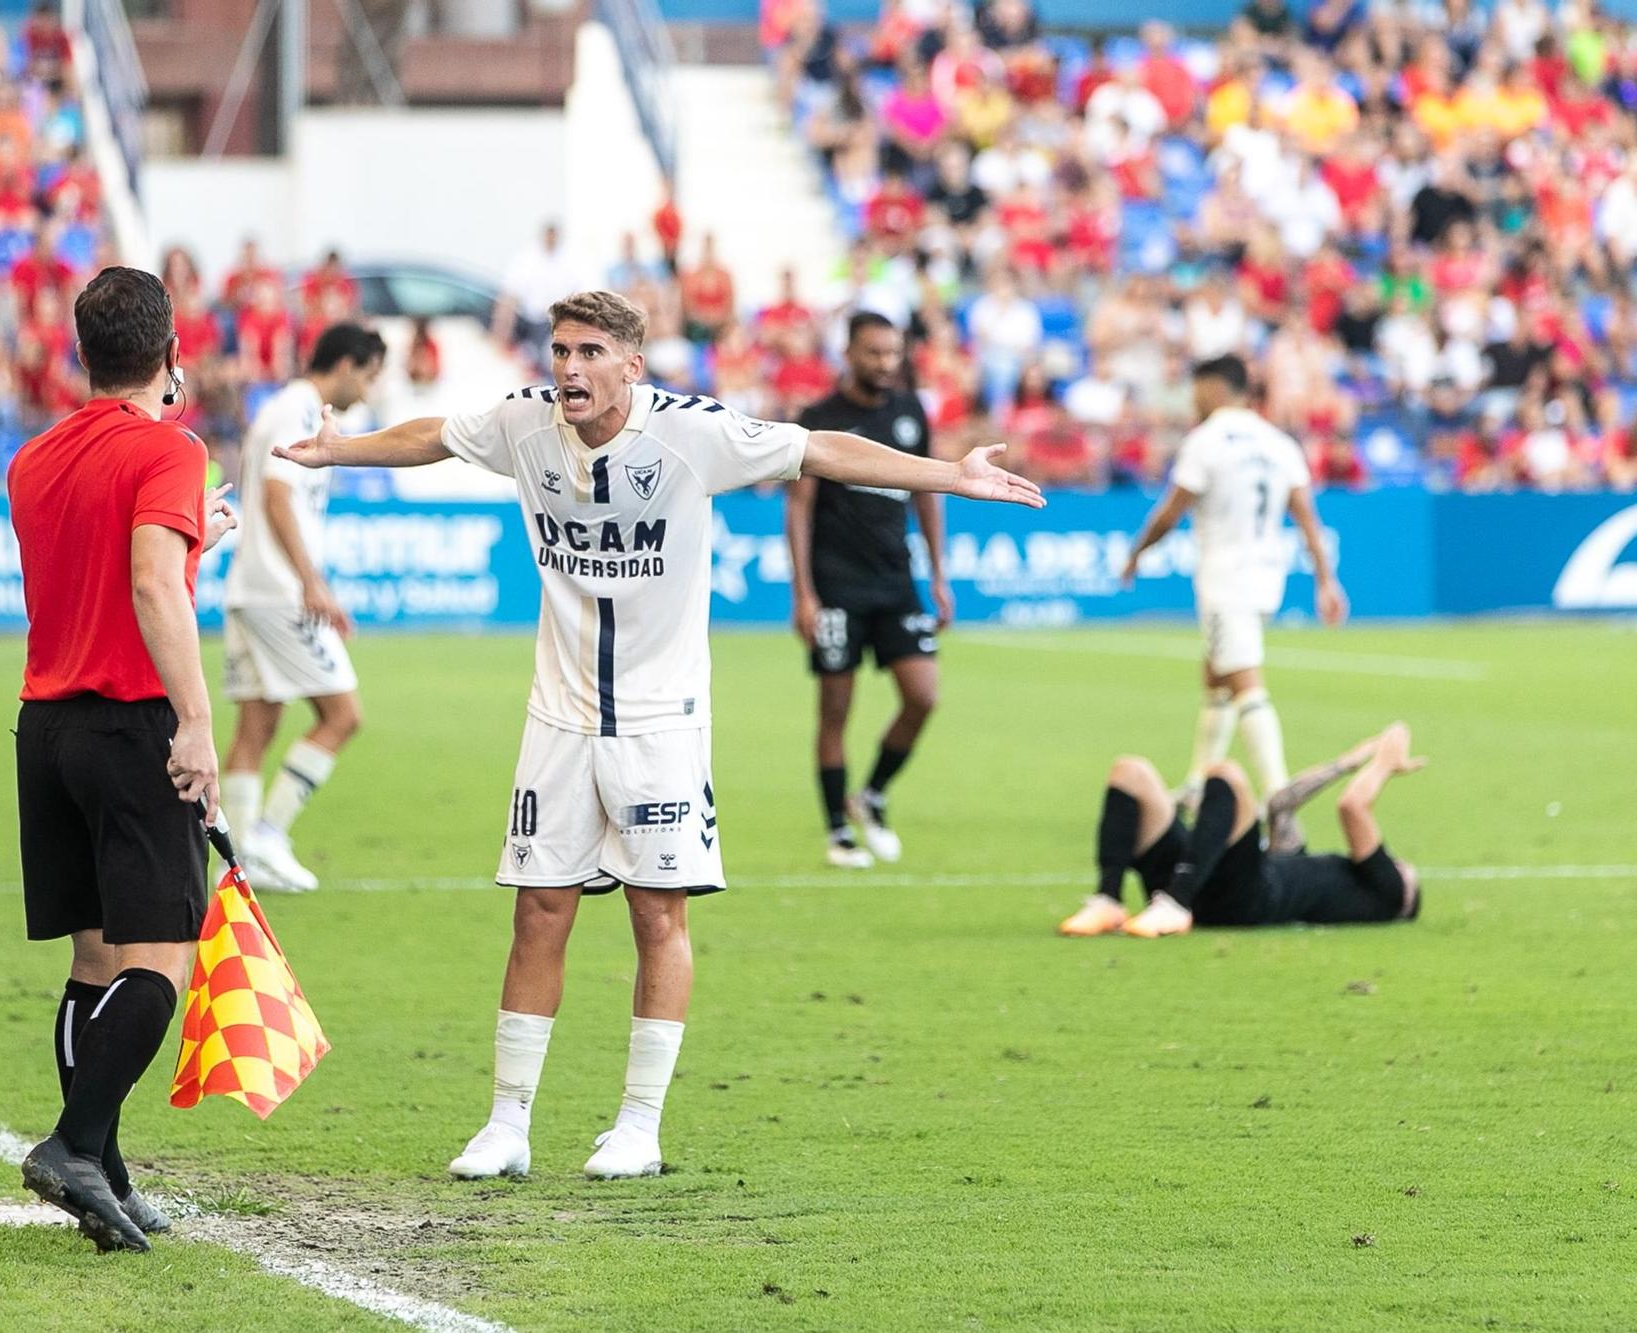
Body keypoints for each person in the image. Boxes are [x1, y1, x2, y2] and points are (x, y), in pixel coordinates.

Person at [269, 290, 1043, 1181]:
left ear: (631, 366)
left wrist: (951, 472)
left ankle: (639, 1126)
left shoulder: (691, 432)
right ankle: (507, 1124)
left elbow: (822, 448)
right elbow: (439, 432)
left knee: (656, 911)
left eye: (589, 351)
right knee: (538, 909)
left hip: (661, 721)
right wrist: (340, 452)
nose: (568, 367)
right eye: (560, 350)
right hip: (556, 716)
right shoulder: (525, 421)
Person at [8, 267, 237, 1254]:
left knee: (92, 960)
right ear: (170, 351)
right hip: (126, 722)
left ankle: (102, 1176)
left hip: (46, 724)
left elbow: (112, 567)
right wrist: (196, 719)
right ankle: (70, 1147)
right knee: (158, 961)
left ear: (81, 348)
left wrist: (193, 551)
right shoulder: (168, 451)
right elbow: (148, 584)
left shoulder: (35, 456)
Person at [1119, 354, 1346, 809]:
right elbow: (1307, 518)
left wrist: (1138, 552)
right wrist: (1326, 579)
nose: (1193, 397)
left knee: (1244, 682)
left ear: (1216, 389)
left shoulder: (1206, 441)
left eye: (1198, 388)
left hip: (1226, 578)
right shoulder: (1279, 443)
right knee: (1217, 676)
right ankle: (1199, 784)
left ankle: (1279, 795)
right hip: (1266, 576)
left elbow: (1171, 510)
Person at [219, 324, 388, 892]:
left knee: (255, 728)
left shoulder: (283, 408)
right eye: (366, 375)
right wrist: (311, 582)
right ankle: (267, 834)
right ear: (343, 364)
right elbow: (276, 492)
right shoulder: (298, 409)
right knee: (343, 716)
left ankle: (235, 863)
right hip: (278, 593)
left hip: (250, 588)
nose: (366, 391)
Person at [787, 312, 951, 869]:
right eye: (874, 353)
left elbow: (928, 492)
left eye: (893, 353)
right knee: (836, 709)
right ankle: (838, 829)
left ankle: (873, 793)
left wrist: (939, 575)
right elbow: (800, 507)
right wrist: (803, 593)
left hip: (896, 580)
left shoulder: (909, 412)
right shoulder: (819, 419)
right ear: (850, 353)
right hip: (836, 585)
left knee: (923, 696)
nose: (885, 364)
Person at [1057, 723, 1426, 938]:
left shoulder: (1389, 894)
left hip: (1244, 900)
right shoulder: (1314, 872)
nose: (1394, 860)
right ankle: (1109, 900)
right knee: (1130, 772)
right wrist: (1348, 762)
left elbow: (1353, 807)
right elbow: (1281, 804)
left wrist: (1383, 764)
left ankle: (1175, 903)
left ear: (1407, 891)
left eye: (1401, 866)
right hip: (1218, 884)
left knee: (1229, 777)